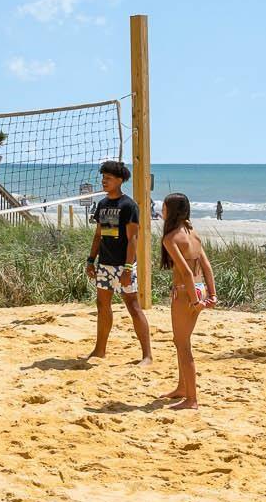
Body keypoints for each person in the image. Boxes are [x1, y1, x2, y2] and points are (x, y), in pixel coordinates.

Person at [85, 160, 151, 366]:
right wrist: (91, 260)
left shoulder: (128, 205)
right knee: (102, 305)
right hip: (105, 264)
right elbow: (99, 235)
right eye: (103, 178)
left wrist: (128, 268)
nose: (104, 181)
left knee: (133, 306)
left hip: (124, 265)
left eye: (109, 178)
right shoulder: (103, 204)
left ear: (120, 180)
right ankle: (100, 350)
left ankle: (147, 355)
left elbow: (133, 239)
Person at [158, 193, 217, 409]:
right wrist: (212, 295)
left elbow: (185, 272)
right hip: (199, 289)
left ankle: (192, 399)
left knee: (183, 346)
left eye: (164, 207)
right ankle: (182, 388)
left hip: (186, 293)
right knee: (181, 341)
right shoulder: (193, 233)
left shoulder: (171, 238)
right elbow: (206, 267)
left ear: (171, 210)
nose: (161, 210)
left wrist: (193, 301)